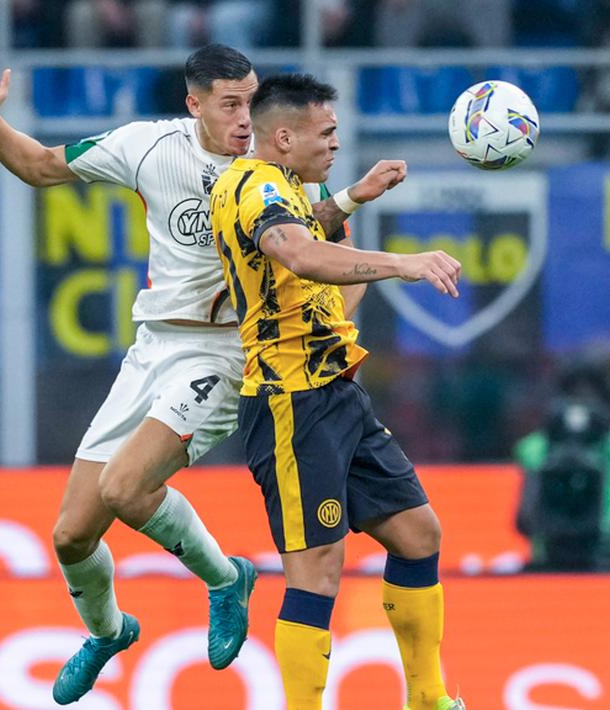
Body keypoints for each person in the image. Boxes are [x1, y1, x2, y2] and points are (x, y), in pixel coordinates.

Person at [0, 42, 410, 704]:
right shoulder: (147, 147)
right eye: (229, 105)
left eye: (251, 102)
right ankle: (108, 633)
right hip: (152, 348)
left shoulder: (275, 173)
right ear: (192, 104)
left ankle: (225, 580)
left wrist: (348, 206)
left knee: (127, 489)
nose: (245, 119)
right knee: (71, 533)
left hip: (224, 354)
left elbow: (310, 248)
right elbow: (39, 166)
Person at [210, 72, 464, 710]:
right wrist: (403, 263)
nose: (334, 143)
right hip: (290, 401)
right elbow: (299, 251)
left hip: (337, 392)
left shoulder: (284, 186)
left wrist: (353, 196)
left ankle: (428, 699)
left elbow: (304, 224)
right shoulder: (252, 186)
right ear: (285, 135)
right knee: (318, 570)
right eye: (326, 133)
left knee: (417, 533)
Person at [513, 364, 610, 572]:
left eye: (591, 397)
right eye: (574, 396)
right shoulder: (536, 448)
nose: (583, 406)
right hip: (550, 564)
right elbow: (523, 521)